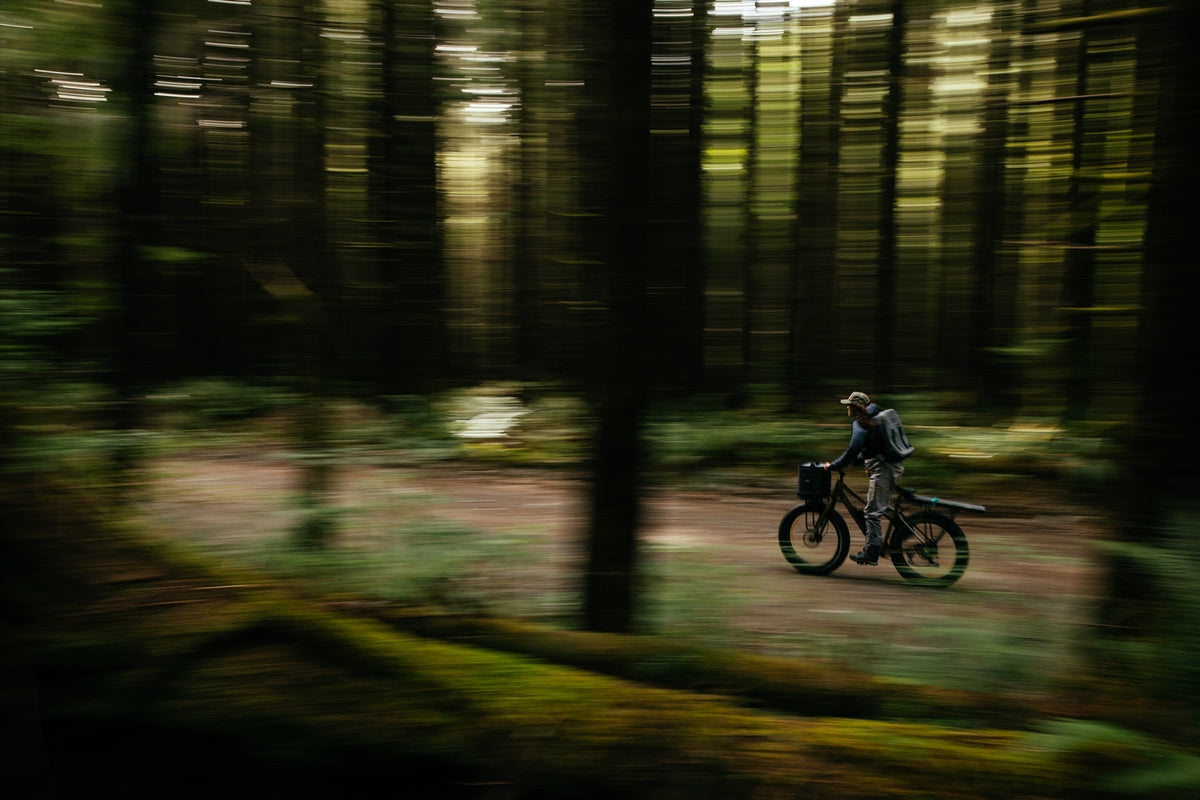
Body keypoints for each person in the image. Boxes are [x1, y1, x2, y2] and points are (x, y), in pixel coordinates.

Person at [822, 391, 903, 566]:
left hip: (885, 469)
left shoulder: (861, 422)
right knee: (876, 504)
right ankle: (903, 528)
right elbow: (871, 446)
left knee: (871, 512)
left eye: (848, 405)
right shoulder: (873, 417)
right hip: (889, 467)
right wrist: (860, 461)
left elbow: (854, 448)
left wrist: (835, 465)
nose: (847, 409)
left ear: (854, 407)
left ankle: (871, 552)